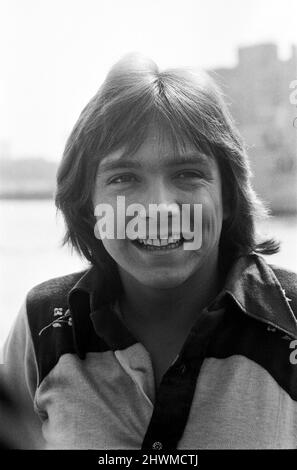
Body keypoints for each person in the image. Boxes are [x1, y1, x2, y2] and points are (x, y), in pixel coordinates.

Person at [1, 53, 297, 450]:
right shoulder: (44, 327)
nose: (159, 208)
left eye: (187, 174)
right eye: (124, 177)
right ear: (88, 205)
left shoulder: (291, 319)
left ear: (228, 196)